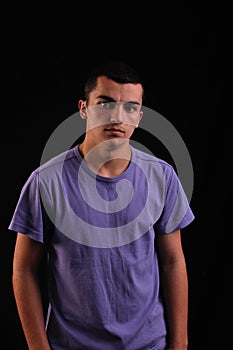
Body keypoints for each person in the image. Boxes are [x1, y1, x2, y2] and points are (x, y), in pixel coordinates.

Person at [9, 61, 194, 350]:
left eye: (130, 107)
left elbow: (172, 261)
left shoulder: (162, 177)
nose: (117, 117)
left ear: (140, 116)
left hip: (148, 344)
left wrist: (180, 344)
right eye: (105, 104)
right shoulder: (46, 181)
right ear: (84, 108)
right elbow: (24, 270)